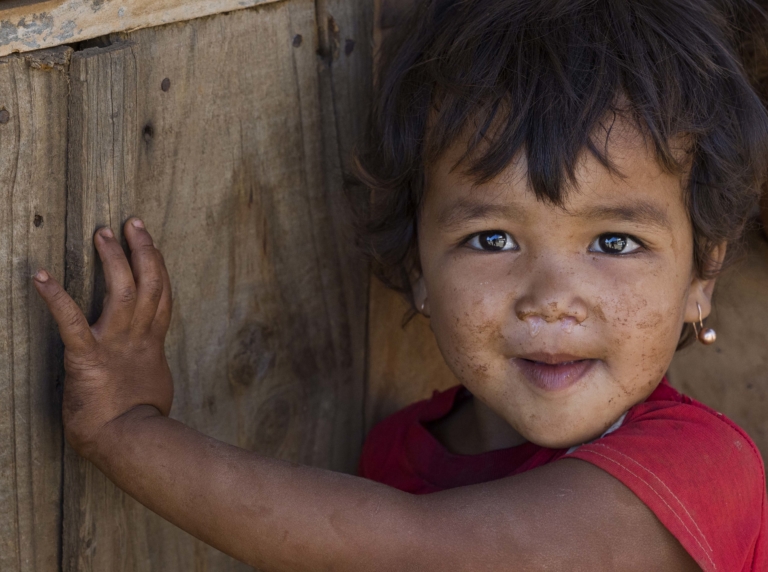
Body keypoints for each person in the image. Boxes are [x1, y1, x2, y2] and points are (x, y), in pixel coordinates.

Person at [31, 0, 768, 569]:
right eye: (492, 239)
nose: (550, 297)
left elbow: (429, 554)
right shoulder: (394, 454)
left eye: (615, 242)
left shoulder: (705, 470)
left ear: (701, 274)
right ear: (418, 266)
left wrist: (129, 435)